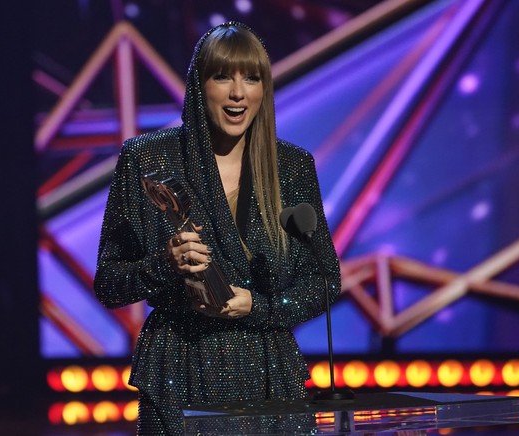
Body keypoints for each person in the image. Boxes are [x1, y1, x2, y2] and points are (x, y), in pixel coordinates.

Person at [94, 21, 341, 435]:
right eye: (222, 76)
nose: (238, 93)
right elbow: (109, 284)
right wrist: (164, 262)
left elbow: (325, 281)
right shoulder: (146, 160)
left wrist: (258, 307)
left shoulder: (293, 167)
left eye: (251, 78)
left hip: (269, 371)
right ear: (198, 85)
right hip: (179, 371)